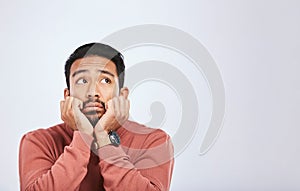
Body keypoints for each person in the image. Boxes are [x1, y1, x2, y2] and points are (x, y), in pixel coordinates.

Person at [19, 43, 174, 191]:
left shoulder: (154, 141)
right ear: (68, 95)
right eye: (82, 81)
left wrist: (104, 137)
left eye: (106, 80)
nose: (92, 92)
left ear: (122, 95)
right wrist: (83, 136)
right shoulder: (38, 141)